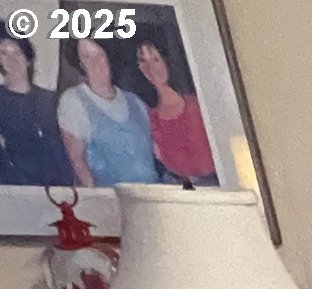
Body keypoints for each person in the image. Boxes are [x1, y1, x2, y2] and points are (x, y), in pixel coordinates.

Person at [59, 37, 157, 187]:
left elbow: (155, 153)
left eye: (99, 55)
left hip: (152, 196)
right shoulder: (73, 101)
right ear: (80, 64)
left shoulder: (136, 102)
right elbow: (77, 161)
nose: (95, 63)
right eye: (87, 57)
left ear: (109, 57)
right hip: (111, 202)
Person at [135, 34, 215, 184]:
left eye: (156, 59)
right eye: (142, 60)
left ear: (167, 60)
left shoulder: (198, 102)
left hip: (214, 184)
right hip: (178, 187)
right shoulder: (147, 113)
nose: (150, 67)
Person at [0, 36, 74, 186]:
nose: (11, 59)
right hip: (12, 190)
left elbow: (62, 150)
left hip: (54, 190)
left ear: (28, 58)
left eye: (18, 53)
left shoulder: (51, 100)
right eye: (4, 53)